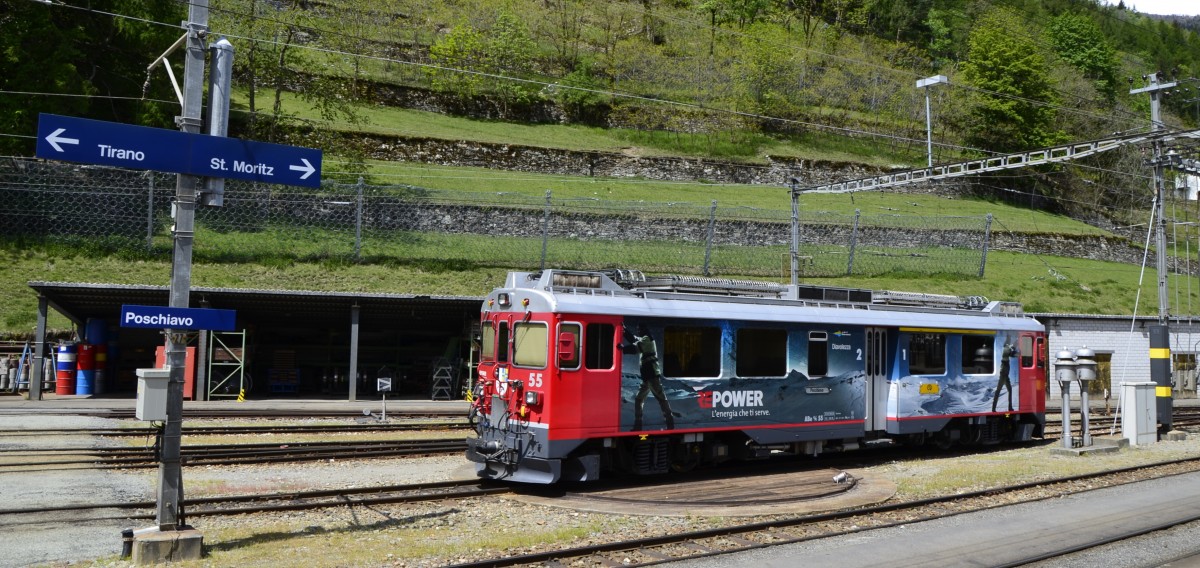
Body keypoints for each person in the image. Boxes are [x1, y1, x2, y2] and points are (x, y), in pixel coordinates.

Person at [628, 323, 675, 430]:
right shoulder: (644, 338)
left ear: (644, 329)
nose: (638, 331)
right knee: (639, 399)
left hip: (652, 376)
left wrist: (622, 349)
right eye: (637, 329)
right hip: (647, 377)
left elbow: (634, 348)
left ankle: (670, 424)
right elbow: (634, 339)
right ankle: (638, 425)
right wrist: (625, 331)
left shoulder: (647, 340)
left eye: (639, 329)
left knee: (661, 399)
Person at [992, 341, 1017, 413]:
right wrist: (1012, 347)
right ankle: (993, 408)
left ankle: (1010, 407)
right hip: (1003, 376)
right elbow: (1010, 353)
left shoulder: (1006, 353)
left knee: (1009, 390)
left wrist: (1013, 348)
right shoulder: (1005, 354)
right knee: (998, 391)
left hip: (1006, 376)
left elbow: (1012, 354)